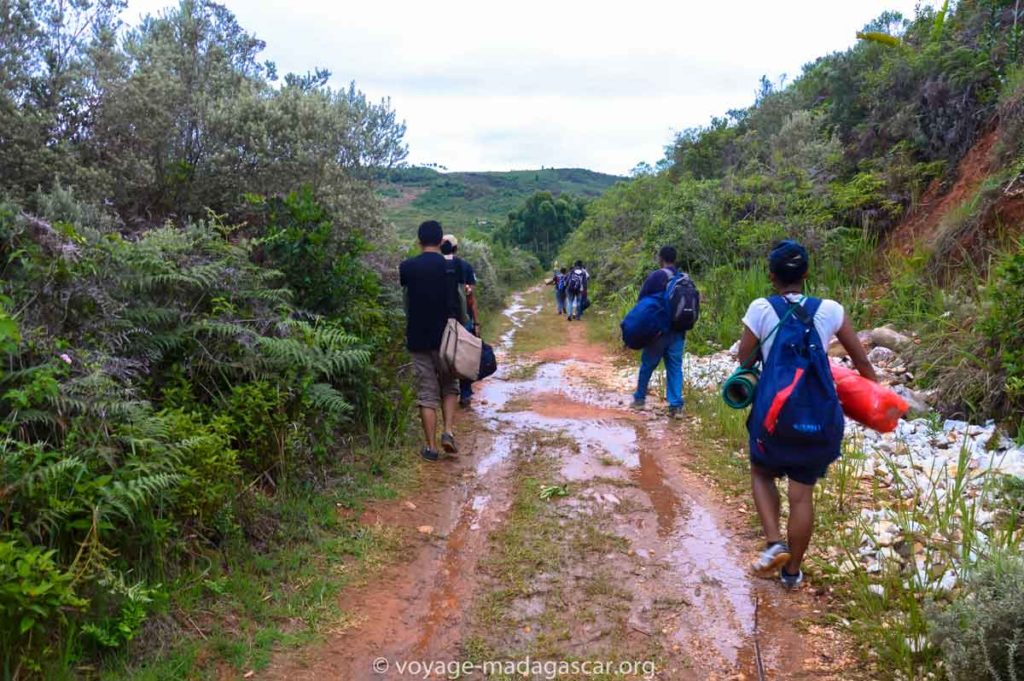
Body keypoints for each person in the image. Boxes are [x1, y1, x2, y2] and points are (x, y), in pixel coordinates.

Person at [736, 240, 878, 589]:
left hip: (774, 414)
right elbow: (861, 362)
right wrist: (877, 395)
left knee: (761, 471)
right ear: (807, 274)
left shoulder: (760, 308)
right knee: (802, 494)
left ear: (771, 276)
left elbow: (743, 359)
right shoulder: (830, 310)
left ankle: (774, 543)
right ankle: (792, 572)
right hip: (818, 415)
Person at [399, 221, 466, 461]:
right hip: (447, 337)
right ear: (441, 241)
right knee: (449, 386)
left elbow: (406, 302)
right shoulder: (451, 267)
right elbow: (459, 302)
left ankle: (430, 447)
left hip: (418, 338)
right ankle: (447, 432)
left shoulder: (407, 267)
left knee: (426, 393)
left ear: (419, 241)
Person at [631, 246, 685, 419]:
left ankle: (639, 399)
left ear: (660, 258)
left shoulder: (656, 276)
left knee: (648, 365)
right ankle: (675, 406)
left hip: (658, 332)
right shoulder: (683, 278)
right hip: (678, 332)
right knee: (675, 368)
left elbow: (641, 301)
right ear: (675, 258)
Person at [441, 234, 479, 408]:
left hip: (440, 320)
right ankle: (464, 393)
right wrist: (475, 322)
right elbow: (471, 298)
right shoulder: (465, 266)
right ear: (456, 248)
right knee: (464, 355)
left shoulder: (434, 267)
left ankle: (444, 391)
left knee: (443, 356)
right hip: (463, 319)